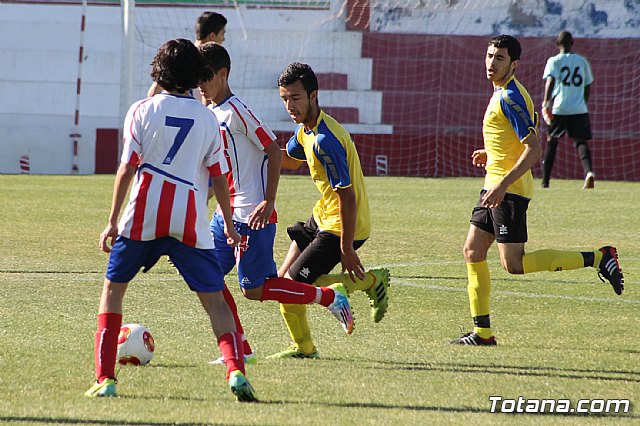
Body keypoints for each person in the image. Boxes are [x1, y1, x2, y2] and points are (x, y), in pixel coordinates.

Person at [85, 39, 257, 402]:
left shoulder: (142, 110)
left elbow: (127, 168)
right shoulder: (208, 118)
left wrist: (112, 221)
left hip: (143, 215)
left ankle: (105, 379)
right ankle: (235, 370)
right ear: (196, 74)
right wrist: (227, 222)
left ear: (158, 70)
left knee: (113, 291)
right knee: (216, 303)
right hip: (189, 218)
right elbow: (219, 178)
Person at [450, 35, 624, 347]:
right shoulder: (502, 92)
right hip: (493, 186)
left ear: (514, 64)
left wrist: (503, 185)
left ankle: (598, 258)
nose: (492, 63)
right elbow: (514, 141)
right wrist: (491, 154)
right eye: (489, 55)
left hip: (508, 190)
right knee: (472, 251)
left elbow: (533, 151)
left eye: (500, 58)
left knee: (514, 264)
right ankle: (483, 333)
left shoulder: (510, 97)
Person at [197, 43, 355, 357]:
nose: (199, 83)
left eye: (205, 77)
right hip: (227, 213)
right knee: (208, 277)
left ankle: (328, 297)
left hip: (251, 215)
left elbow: (271, 149)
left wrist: (268, 202)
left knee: (253, 289)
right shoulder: (211, 111)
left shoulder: (238, 111)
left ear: (223, 74)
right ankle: (240, 347)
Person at [270, 62, 390, 359]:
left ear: (314, 95)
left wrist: (346, 248)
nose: (289, 105)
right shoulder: (305, 132)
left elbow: (347, 197)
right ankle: (304, 346)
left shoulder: (326, 140)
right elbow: (290, 159)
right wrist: (252, 151)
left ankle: (370, 281)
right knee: (280, 283)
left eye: (295, 98)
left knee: (291, 285)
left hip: (344, 224)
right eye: (285, 98)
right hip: (323, 215)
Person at [540, 31, 595, 189]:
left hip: (560, 107)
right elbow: (587, 85)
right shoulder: (582, 61)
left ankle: (545, 181)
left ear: (557, 44)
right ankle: (589, 172)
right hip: (579, 108)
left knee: (552, 141)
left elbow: (550, 81)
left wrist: (545, 102)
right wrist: (583, 102)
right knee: (580, 141)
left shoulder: (554, 61)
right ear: (573, 43)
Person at [146, 12, 227, 100]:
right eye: (222, 34)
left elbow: (152, 93)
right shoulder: (200, 59)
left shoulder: (181, 55)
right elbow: (153, 93)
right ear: (212, 36)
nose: (223, 39)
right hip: (193, 111)